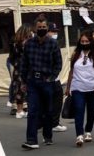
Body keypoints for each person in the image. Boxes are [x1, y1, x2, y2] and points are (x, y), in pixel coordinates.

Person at [21, 17, 63, 150]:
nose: (41, 30)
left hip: (47, 82)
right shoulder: (28, 44)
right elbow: (24, 64)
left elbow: (58, 63)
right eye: (39, 28)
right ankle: (31, 140)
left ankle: (47, 135)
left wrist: (52, 78)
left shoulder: (53, 44)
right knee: (32, 111)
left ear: (47, 28)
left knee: (48, 111)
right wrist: (23, 81)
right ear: (35, 28)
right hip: (32, 81)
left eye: (44, 27)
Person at [65, 31, 94, 147]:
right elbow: (71, 72)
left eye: (86, 41)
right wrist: (68, 87)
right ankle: (79, 135)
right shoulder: (76, 54)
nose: (84, 43)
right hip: (78, 88)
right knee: (79, 110)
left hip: (93, 88)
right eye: (82, 41)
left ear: (91, 42)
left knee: (91, 111)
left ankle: (88, 131)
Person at [8, 25, 33, 118]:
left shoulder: (15, 43)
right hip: (25, 68)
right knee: (23, 89)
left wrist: (15, 64)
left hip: (17, 68)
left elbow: (11, 57)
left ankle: (19, 109)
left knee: (18, 88)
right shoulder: (26, 43)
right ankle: (21, 109)